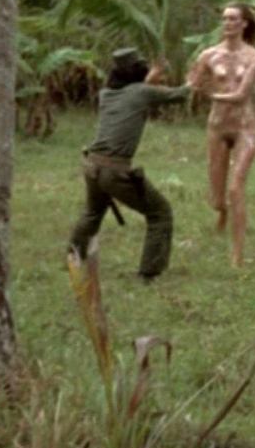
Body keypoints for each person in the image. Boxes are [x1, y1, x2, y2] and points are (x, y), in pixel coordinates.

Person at [69, 49, 191, 281]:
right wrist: (196, 77)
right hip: (115, 171)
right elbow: (181, 94)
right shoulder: (141, 92)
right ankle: (149, 273)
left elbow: (135, 93)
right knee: (160, 213)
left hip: (92, 166)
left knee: (92, 213)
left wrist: (152, 76)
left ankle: (73, 259)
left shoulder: (106, 94)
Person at [187, 3, 255, 268]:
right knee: (218, 199)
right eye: (224, 19)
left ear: (244, 23)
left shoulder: (254, 57)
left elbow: (241, 95)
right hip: (217, 128)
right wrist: (190, 85)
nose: (228, 23)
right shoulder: (208, 55)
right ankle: (222, 213)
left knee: (235, 188)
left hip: (244, 127)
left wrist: (212, 94)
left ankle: (237, 255)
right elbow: (193, 84)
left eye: (233, 19)